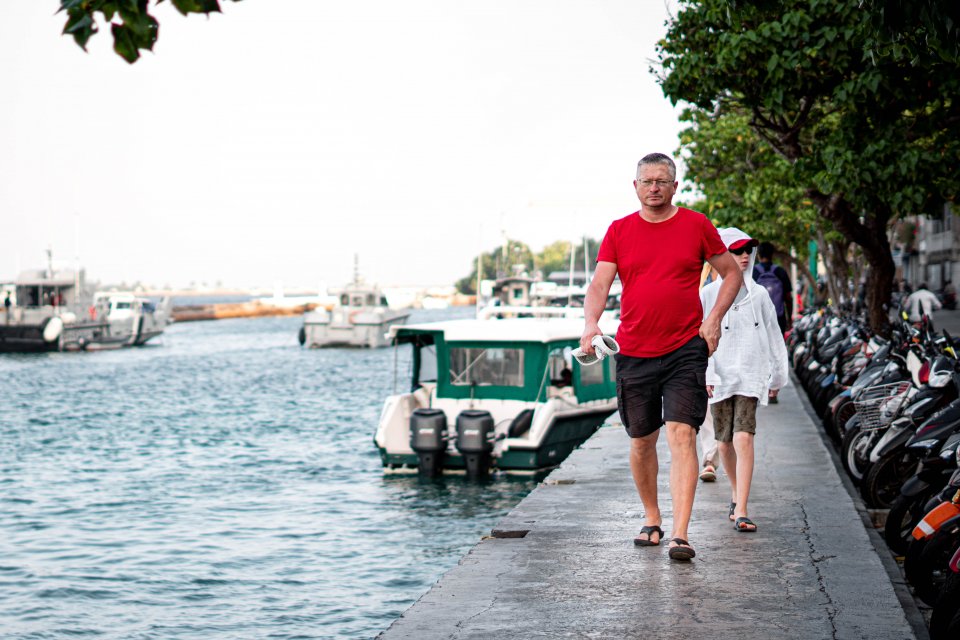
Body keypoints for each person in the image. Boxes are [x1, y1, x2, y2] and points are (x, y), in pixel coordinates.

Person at [580, 152, 742, 561]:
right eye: (647, 181)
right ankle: (652, 517)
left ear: (674, 186)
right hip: (633, 350)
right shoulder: (619, 230)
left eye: (661, 180)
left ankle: (680, 533)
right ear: (635, 187)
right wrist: (590, 323)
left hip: (686, 348)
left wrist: (715, 319)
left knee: (683, 434)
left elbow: (732, 273)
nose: (654, 187)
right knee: (641, 441)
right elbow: (600, 284)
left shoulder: (696, 225)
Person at [701, 227, 789, 533]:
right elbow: (698, 339)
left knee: (743, 437)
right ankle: (735, 494)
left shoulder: (759, 294)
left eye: (746, 251)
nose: (743, 256)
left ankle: (742, 507)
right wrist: (707, 373)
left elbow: (774, 335)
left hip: (750, 374)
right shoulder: (707, 295)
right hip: (720, 376)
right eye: (736, 251)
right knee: (724, 443)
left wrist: (778, 375)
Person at [752, 241, 792, 334]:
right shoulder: (780, 271)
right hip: (778, 318)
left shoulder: (753, 272)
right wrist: (789, 319)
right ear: (772, 255)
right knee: (778, 347)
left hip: (758, 319)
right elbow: (788, 298)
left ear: (758, 255)